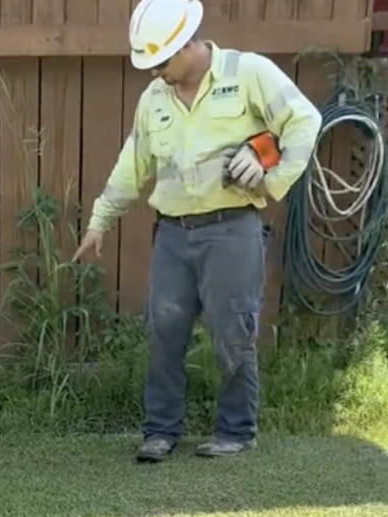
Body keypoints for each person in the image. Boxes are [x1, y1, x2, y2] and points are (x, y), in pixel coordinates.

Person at [71, 0, 322, 462]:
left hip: (232, 231)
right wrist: (100, 220)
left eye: (161, 62)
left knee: (233, 333)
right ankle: (160, 431)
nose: (155, 73)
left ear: (187, 44)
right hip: (172, 235)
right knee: (164, 332)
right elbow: (133, 165)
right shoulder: (154, 100)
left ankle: (236, 431)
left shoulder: (248, 74)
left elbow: (305, 121)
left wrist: (272, 177)